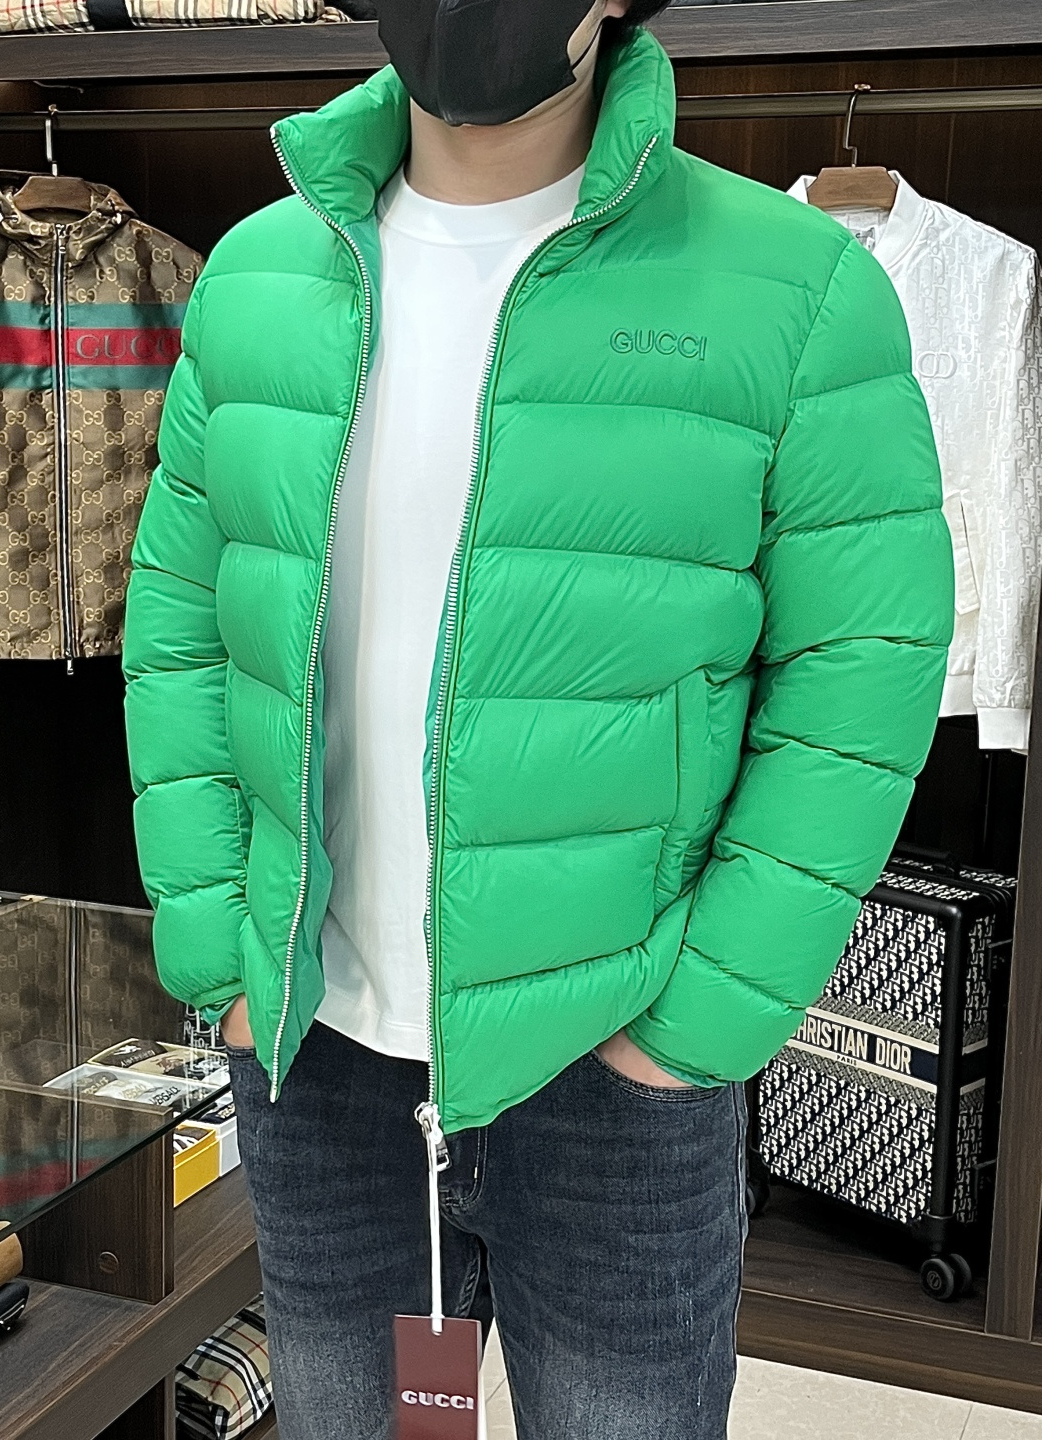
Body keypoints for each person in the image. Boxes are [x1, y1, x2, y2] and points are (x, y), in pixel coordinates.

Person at [122, 2, 953, 1436]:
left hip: (614, 1066)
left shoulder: (796, 287)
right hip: (318, 1056)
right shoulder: (257, 275)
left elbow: (860, 675)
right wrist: (221, 954)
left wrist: (700, 1023)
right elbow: (182, 626)